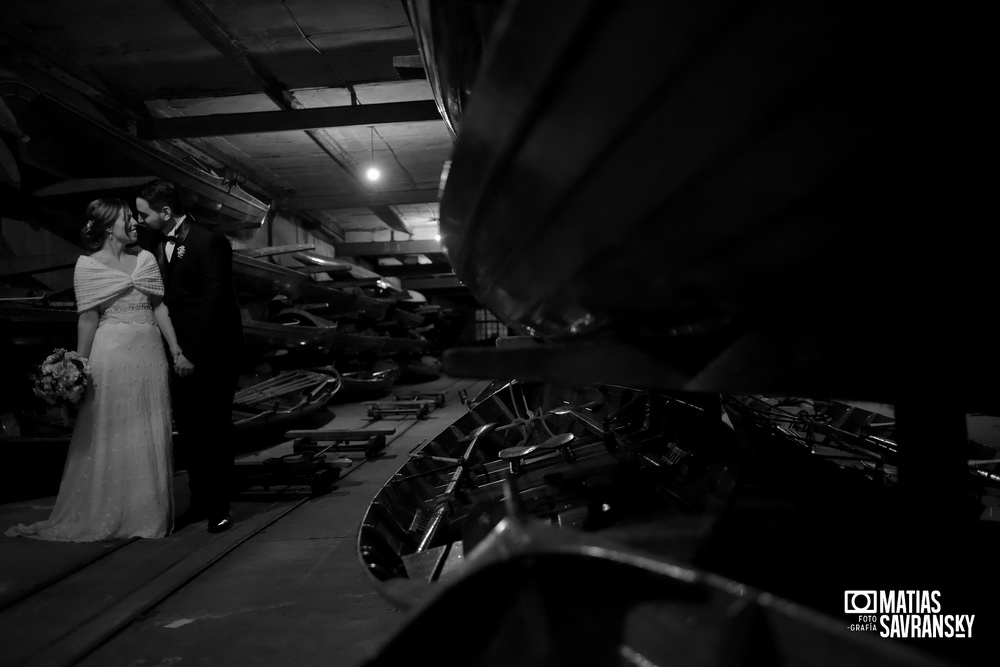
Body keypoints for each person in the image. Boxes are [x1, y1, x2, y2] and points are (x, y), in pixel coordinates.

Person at [6, 199, 180, 541]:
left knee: (148, 425)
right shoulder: (87, 266)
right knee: (112, 429)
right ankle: (110, 511)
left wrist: (175, 348)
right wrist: (77, 365)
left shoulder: (145, 259)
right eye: (127, 218)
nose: (134, 223)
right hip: (110, 354)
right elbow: (88, 318)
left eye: (134, 218)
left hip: (149, 354)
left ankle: (147, 515)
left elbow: (159, 308)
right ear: (106, 226)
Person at [135, 179, 244, 534]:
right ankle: (198, 502)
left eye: (144, 213)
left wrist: (191, 354)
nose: (139, 220)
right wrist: (173, 352)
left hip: (211, 354)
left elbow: (217, 303)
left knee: (214, 430)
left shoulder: (209, 241)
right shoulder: (153, 241)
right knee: (191, 431)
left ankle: (220, 507)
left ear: (166, 213)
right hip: (175, 352)